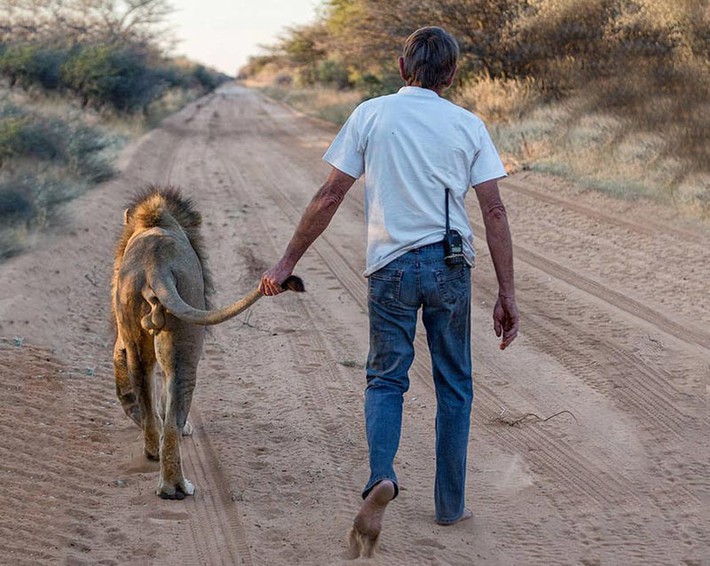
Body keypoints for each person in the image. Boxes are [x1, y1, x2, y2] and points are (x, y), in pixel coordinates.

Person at [259, 26, 519, 558]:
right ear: (451, 75)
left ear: (403, 69)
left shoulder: (370, 114)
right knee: (455, 385)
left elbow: (330, 194)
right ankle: (450, 506)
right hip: (450, 267)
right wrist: (507, 294)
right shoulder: (469, 125)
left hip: (391, 269)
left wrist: (287, 262)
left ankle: (382, 476)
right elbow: (494, 210)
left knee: (384, 380)